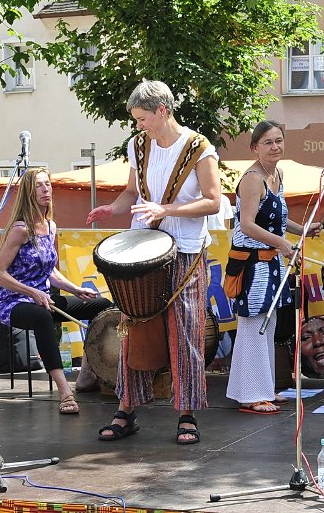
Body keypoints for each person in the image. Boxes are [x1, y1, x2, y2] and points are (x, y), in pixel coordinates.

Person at [86, 79, 221, 444]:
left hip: (186, 251)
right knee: (134, 329)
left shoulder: (199, 148)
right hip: (144, 249)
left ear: (162, 110)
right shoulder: (138, 145)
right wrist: (112, 208)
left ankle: (187, 413)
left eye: (143, 117)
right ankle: (126, 408)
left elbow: (213, 202)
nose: (139, 125)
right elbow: (133, 191)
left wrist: (167, 209)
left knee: (185, 331)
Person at [0, 167, 111, 415]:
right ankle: (64, 392)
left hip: (44, 298)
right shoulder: (20, 229)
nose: (46, 189)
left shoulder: (51, 226)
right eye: (39, 185)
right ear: (28, 192)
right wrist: (33, 293)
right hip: (14, 302)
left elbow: (49, 271)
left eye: (48, 184)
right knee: (43, 319)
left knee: (101, 306)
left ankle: (90, 373)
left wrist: (75, 289)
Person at [224, 121, 321, 414]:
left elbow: (275, 220)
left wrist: (300, 230)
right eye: (268, 142)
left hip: (270, 260)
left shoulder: (277, 174)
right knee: (254, 323)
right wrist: (281, 243)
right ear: (255, 147)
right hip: (252, 261)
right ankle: (251, 394)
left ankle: (262, 388)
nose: (275, 146)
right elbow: (247, 225)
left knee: (268, 324)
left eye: (279, 140)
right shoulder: (253, 179)